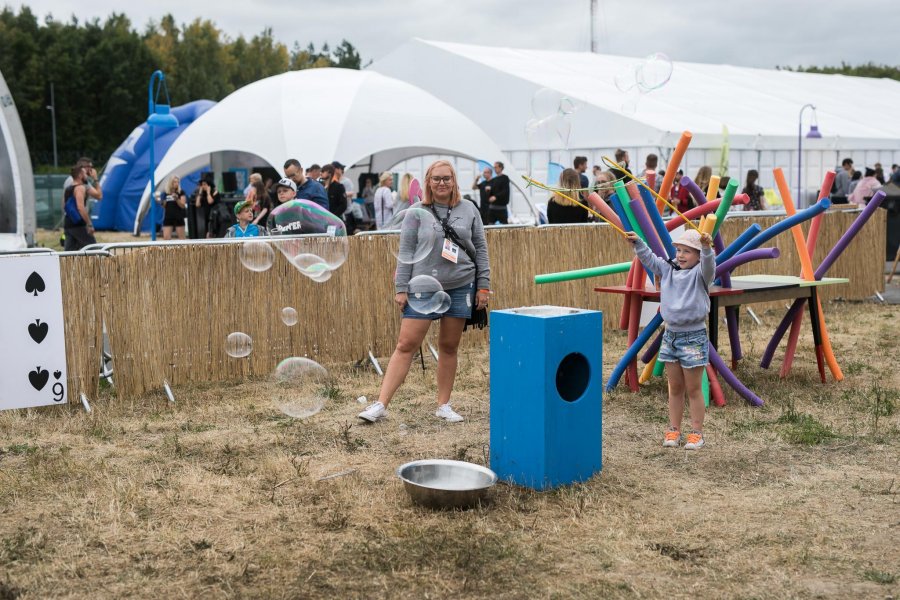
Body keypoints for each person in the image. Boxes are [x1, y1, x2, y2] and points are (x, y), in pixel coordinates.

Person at [358, 160, 491, 424]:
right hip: (421, 288)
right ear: (428, 181)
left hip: (462, 285)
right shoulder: (416, 212)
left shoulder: (469, 209)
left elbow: (481, 249)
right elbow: (406, 252)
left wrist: (483, 286)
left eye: (447, 178)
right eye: (436, 179)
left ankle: (443, 405)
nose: (442, 183)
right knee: (405, 345)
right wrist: (401, 288)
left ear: (454, 181)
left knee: (449, 347)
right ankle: (381, 404)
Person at [626, 226, 715, 450]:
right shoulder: (668, 270)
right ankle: (674, 430)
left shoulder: (701, 274)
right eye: (679, 250)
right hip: (670, 335)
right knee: (674, 387)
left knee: (693, 389)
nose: (681, 255)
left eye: (687, 251)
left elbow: (709, 265)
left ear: (697, 256)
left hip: (693, 337)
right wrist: (638, 242)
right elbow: (650, 259)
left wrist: (706, 248)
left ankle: (697, 433)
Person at [63, 165, 96, 250]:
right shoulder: (80, 188)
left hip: (68, 223)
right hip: (78, 224)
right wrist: (89, 224)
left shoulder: (68, 188)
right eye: (85, 174)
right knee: (94, 249)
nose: (86, 176)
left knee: (69, 254)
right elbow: (80, 208)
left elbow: (64, 205)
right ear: (80, 175)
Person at [159, 175, 187, 240]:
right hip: (168, 217)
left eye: (177, 182)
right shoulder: (166, 193)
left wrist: (177, 199)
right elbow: (164, 206)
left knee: (182, 239)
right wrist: (160, 202)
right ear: (170, 183)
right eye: (174, 182)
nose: (176, 184)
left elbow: (183, 206)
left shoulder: (181, 192)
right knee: (166, 238)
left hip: (178, 217)